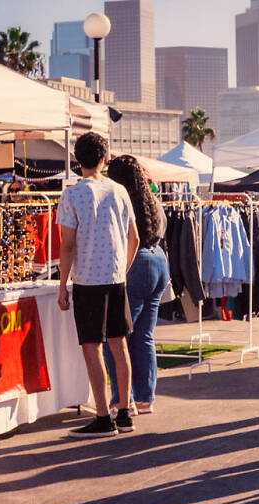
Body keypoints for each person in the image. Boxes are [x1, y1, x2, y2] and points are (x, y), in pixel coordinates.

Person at [57, 132, 139, 438]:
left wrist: (62, 284)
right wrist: (124, 269)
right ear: (105, 158)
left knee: (92, 348)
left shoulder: (73, 194)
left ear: (78, 161)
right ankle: (125, 413)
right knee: (119, 345)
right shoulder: (119, 191)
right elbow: (135, 237)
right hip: (115, 277)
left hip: (89, 279)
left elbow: (67, 245)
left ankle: (103, 417)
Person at [103, 155, 169, 416]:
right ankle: (145, 398)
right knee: (144, 335)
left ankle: (122, 399)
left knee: (118, 337)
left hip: (134, 263)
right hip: (157, 262)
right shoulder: (152, 201)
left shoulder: (119, 200)